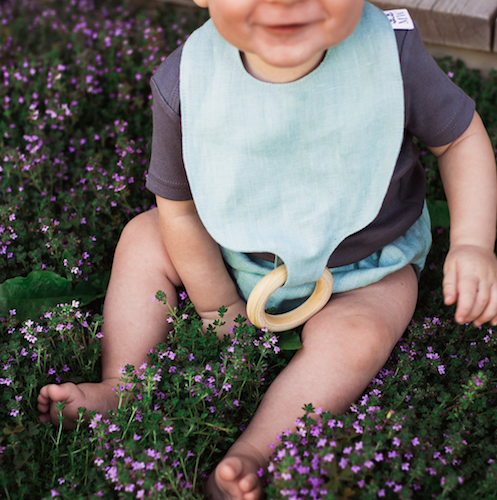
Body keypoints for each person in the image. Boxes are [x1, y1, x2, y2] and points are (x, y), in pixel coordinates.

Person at [38, 1, 497, 498]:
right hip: (229, 250)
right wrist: (216, 302)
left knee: (359, 336)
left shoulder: (389, 53)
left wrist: (473, 243)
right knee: (144, 238)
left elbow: (458, 142)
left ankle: (257, 449)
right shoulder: (187, 80)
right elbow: (181, 210)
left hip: (364, 264)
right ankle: (121, 383)